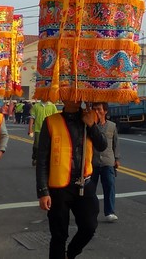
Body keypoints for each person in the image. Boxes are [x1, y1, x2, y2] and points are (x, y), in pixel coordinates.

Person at [36, 100, 107, 259]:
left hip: (84, 184)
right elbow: (42, 159)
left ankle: (71, 253)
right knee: (58, 235)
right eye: (70, 95)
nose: (75, 98)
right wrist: (43, 191)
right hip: (59, 187)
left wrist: (92, 125)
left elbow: (102, 145)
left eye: (77, 95)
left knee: (89, 226)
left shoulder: (89, 117)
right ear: (63, 98)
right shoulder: (51, 122)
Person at [91, 102, 120, 223]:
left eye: (99, 109)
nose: (97, 112)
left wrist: (117, 159)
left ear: (105, 111)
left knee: (109, 186)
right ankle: (90, 212)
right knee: (90, 189)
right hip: (93, 161)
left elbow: (115, 143)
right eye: (94, 109)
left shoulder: (112, 126)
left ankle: (110, 212)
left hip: (108, 161)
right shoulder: (90, 126)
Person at [29, 100, 56, 166]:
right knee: (37, 144)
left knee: (49, 145)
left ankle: (47, 159)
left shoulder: (52, 106)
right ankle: (35, 158)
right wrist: (30, 129)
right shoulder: (36, 106)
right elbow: (32, 118)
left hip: (49, 129)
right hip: (38, 129)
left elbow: (56, 118)